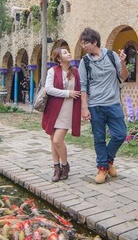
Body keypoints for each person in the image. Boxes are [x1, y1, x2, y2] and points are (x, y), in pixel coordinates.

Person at [78, 27, 129, 184]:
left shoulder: (112, 56)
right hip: (95, 105)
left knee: (120, 134)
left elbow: (124, 76)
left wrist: (123, 62)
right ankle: (102, 168)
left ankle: (107, 162)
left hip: (113, 103)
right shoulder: (84, 62)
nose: (83, 46)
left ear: (94, 42)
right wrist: (84, 108)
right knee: (99, 138)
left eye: (85, 43)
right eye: (82, 43)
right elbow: (83, 86)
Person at [41, 47, 82, 182]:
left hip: (67, 110)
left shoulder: (75, 71)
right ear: (59, 59)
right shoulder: (52, 71)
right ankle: (56, 168)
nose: (69, 53)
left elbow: (81, 89)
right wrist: (67, 93)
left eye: (68, 51)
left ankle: (65, 166)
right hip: (53, 110)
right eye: (65, 53)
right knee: (53, 140)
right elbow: (49, 89)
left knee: (58, 140)